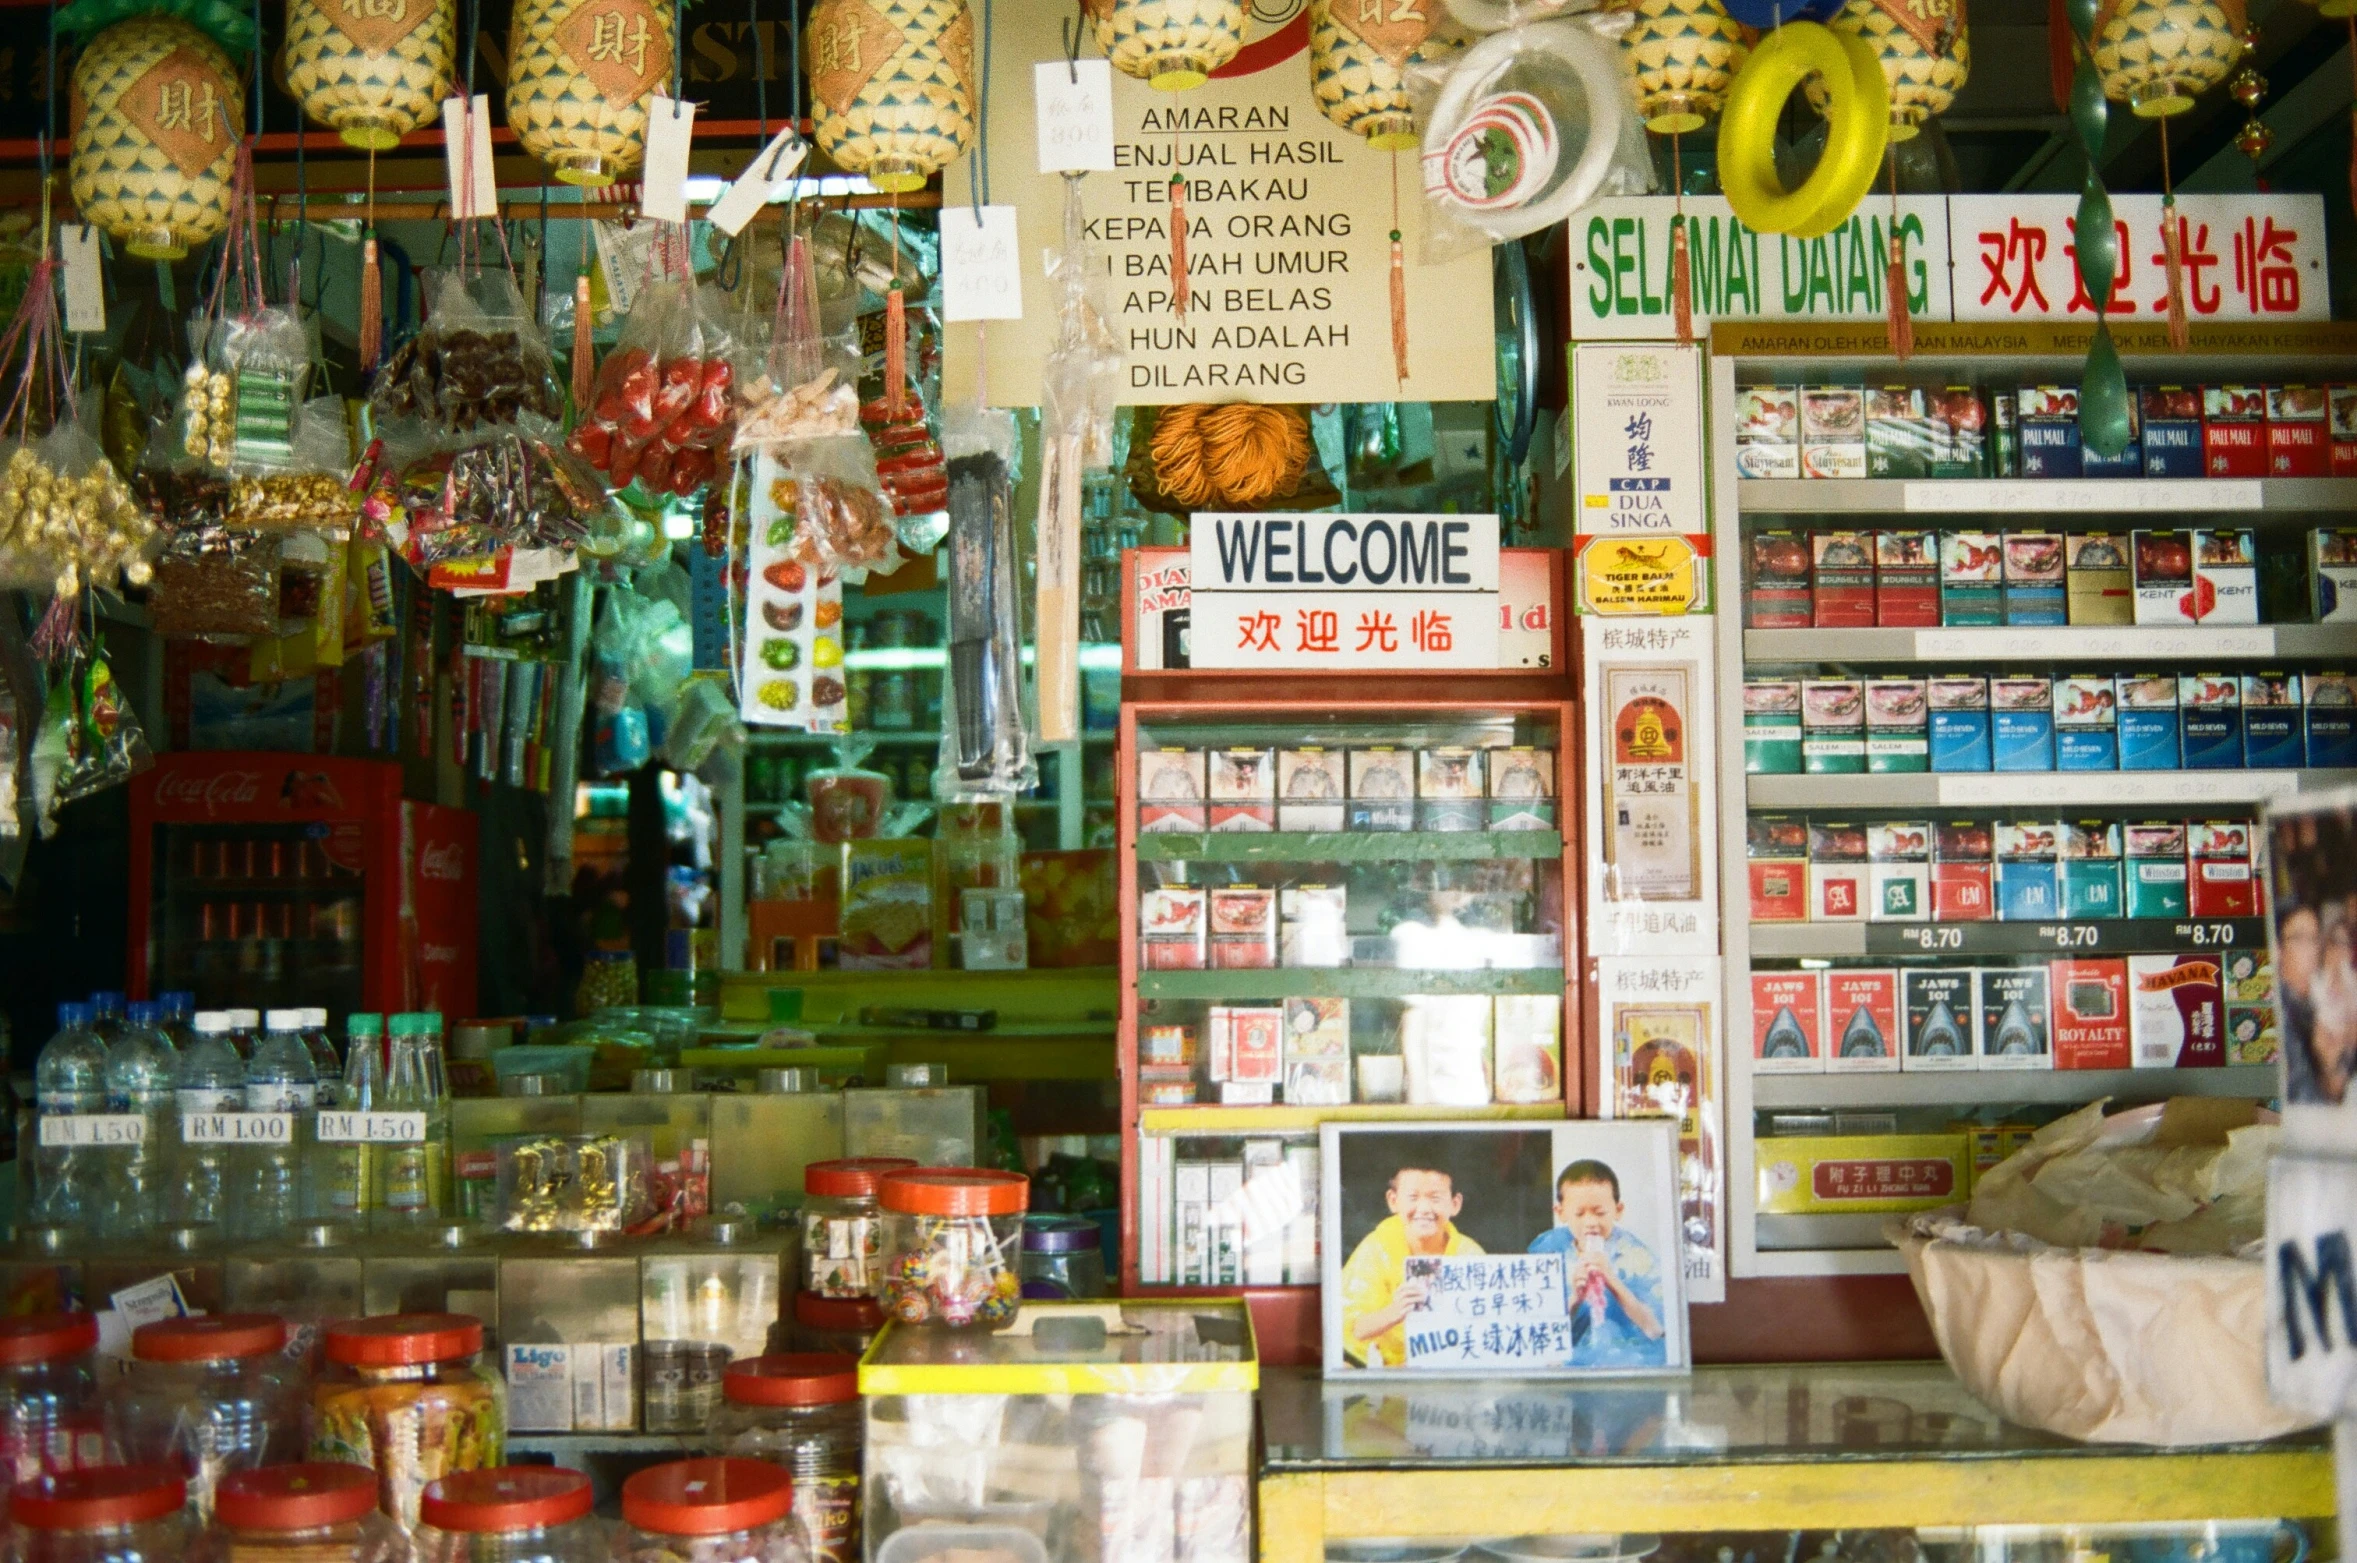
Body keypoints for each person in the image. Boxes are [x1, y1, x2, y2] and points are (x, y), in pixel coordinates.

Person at [1338, 1165, 1483, 1368]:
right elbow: (1352, 1329)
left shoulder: (1469, 1255)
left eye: (1435, 1198)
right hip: (1379, 1371)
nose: (1424, 1209)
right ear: (1393, 1201)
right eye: (1413, 1198)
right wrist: (1393, 1312)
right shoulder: (1376, 1248)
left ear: (1455, 1204)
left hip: (1448, 1369)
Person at [1528, 1158, 1667, 1369]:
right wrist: (1575, 1298)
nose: (1590, 1222)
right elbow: (1532, 1329)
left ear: (1618, 1210)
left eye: (1600, 1213)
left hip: (1624, 1362)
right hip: (1562, 1368)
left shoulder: (1637, 1257)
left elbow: (1657, 1330)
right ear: (1561, 1212)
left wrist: (1611, 1280)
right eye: (1579, 1213)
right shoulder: (1547, 1249)